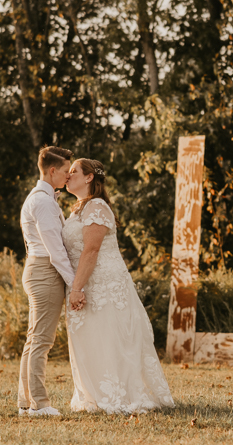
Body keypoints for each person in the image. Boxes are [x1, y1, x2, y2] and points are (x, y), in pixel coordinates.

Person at [63, 158, 174, 414]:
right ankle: (95, 394)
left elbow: (91, 250)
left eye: (73, 172)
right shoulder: (78, 209)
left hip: (103, 283)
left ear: (89, 177)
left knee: (109, 338)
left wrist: (77, 288)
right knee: (92, 338)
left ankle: (117, 396)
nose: (68, 176)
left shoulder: (97, 207)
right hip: (86, 281)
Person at [18, 146, 82, 417]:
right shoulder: (42, 202)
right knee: (42, 340)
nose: (68, 176)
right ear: (53, 171)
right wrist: (74, 285)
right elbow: (56, 250)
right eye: (66, 171)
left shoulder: (45, 199)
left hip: (41, 268)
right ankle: (39, 404)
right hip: (45, 270)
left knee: (35, 339)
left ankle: (25, 403)